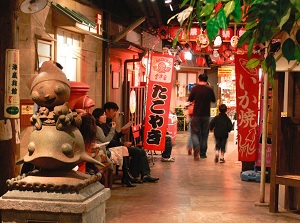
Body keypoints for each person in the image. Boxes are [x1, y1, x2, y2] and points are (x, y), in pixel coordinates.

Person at [99, 102, 159, 183]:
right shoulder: (101, 126)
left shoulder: (109, 123)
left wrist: (122, 133)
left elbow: (114, 137)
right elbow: (108, 141)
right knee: (137, 151)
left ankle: (145, 174)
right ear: (107, 110)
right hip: (111, 148)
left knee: (141, 151)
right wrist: (123, 144)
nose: (116, 113)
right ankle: (132, 175)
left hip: (117, 146)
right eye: (114, 111)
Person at [92, 108, 137, 187]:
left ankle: (126, 176)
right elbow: (106, 141)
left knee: (125, 149)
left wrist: (121, 133)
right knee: (125, 149)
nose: (105, 117)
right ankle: (126, 177)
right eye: (103, 115)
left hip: (104, 149)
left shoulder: (103, 125)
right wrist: (112, 129)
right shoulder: (97, 128)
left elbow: (113, 137)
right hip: (101, 151)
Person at [188, 72, 216, 160]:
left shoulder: (195, 89)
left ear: (198, 79)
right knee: (205, 135)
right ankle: (203, 154)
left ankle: (196, 146)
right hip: (206, 115)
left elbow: (190, 99)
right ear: (207, 81)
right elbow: (214, 100)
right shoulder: (210, 89)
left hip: (196, 115)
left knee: (194, 133)